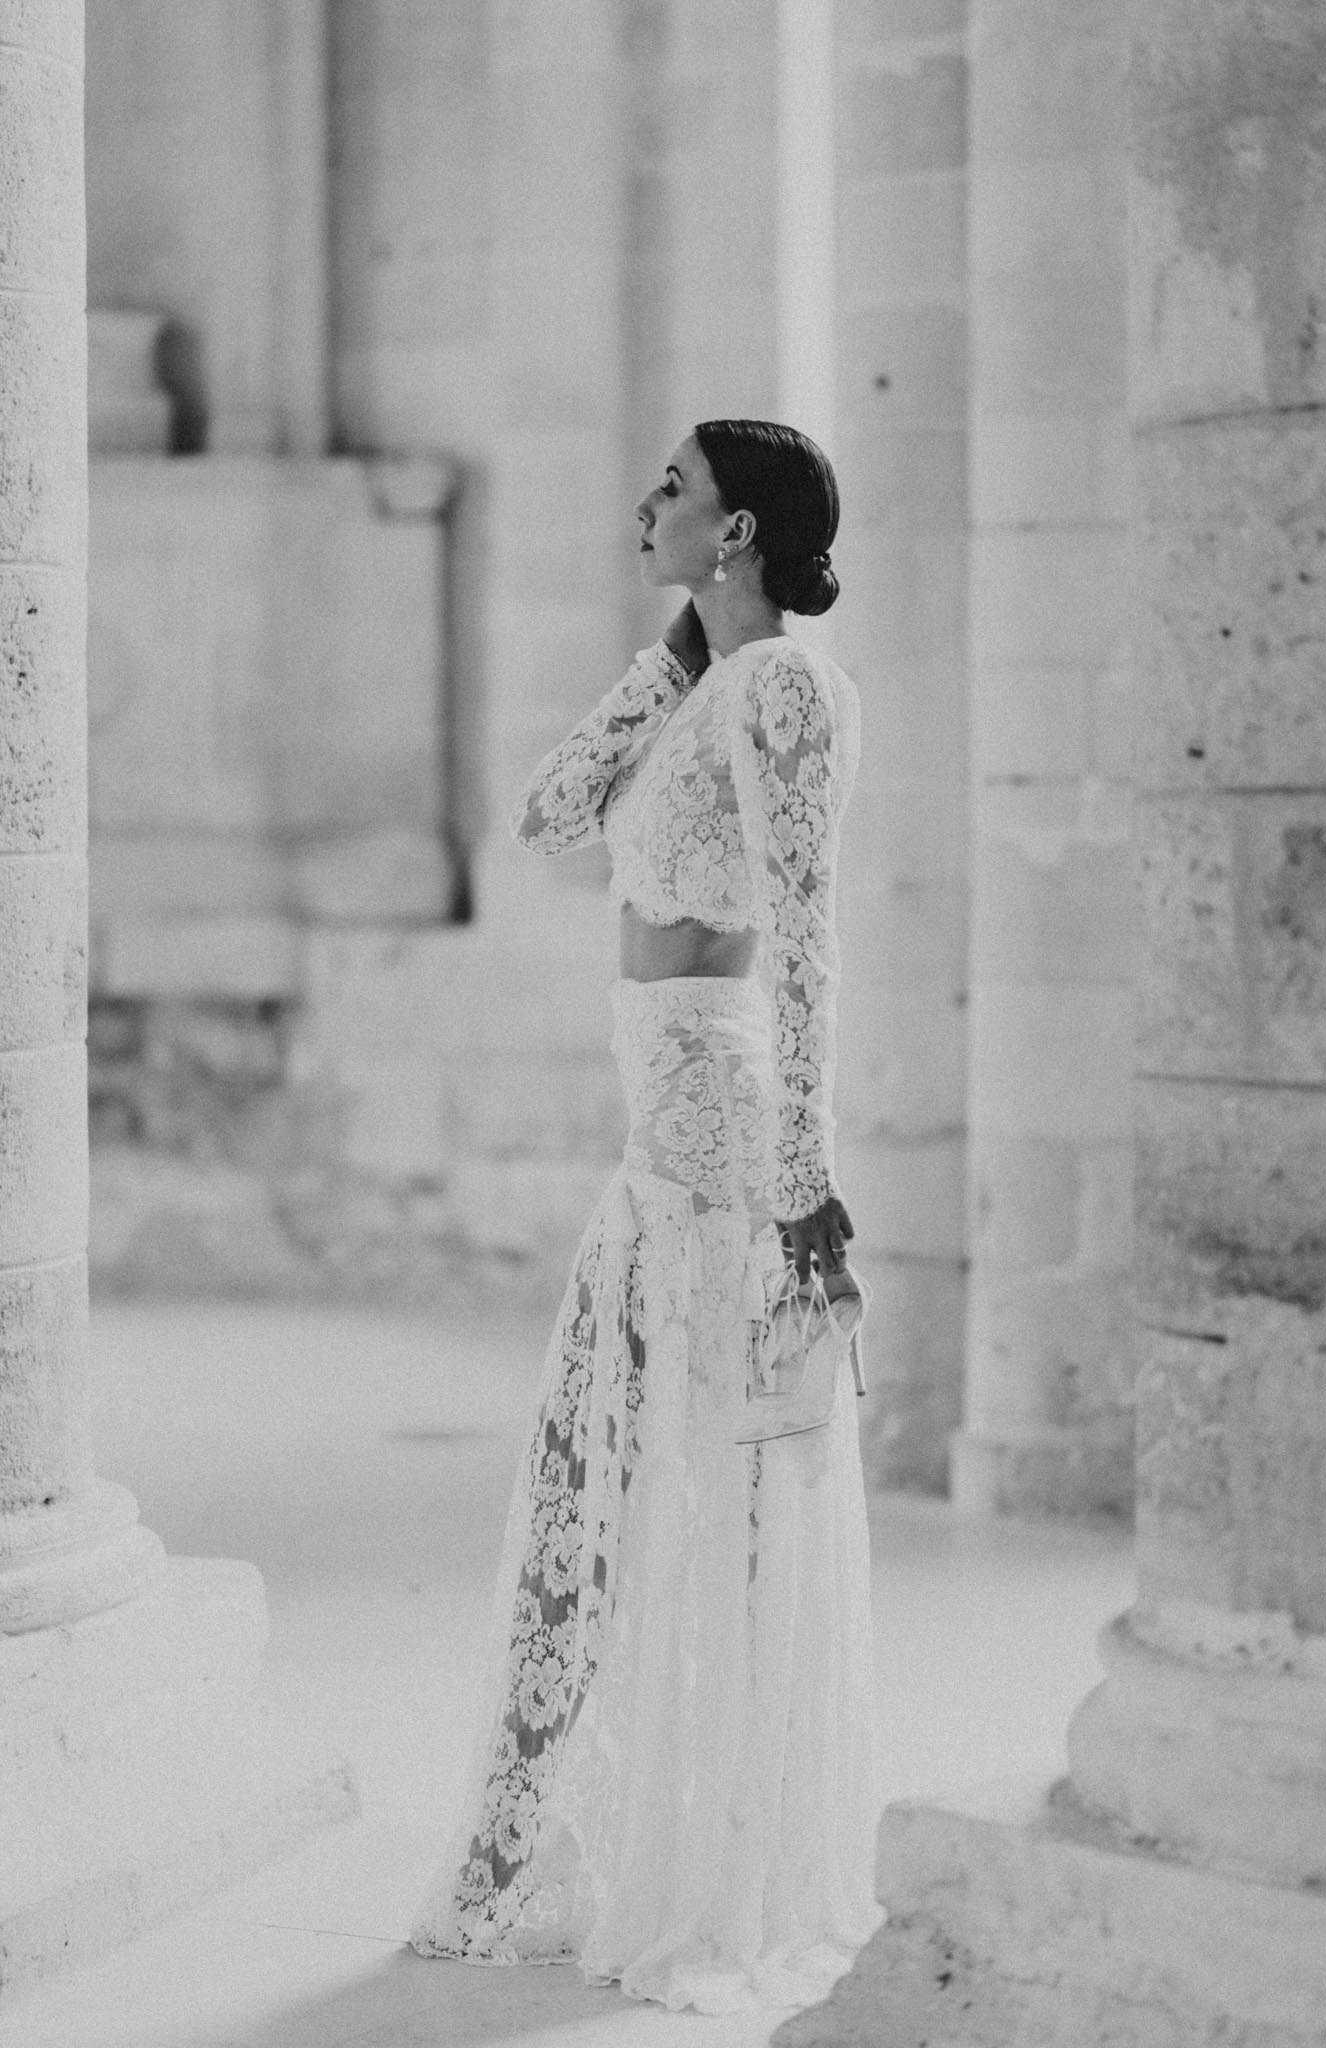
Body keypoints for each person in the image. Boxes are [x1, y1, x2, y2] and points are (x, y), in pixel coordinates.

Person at [409, 418, 880, 2016]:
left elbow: (806, 936)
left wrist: (804, 1178)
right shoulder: (705, 683)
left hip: (727, 1147)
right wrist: (667, 656)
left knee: (704, 1495)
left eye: (673, 488)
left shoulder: (788, 689)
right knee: (598, 1480)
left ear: (735, 527)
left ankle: (721, 1863)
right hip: (658, 1141)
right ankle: (569, 1840)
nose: (645, 501)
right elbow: (548, 819)